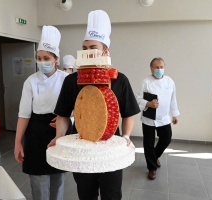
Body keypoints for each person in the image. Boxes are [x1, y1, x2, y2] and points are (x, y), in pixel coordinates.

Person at [48, 10, 140, 200]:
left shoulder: (119, 79)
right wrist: (59, 137)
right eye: (84, 47)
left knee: (112, 193)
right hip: (81, 144)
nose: (87, 51)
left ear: (106, 51)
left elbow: (128, 112)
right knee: (85, 192)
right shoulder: (72, 81)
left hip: (109, 145)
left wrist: (126, 136)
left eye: (92, 47)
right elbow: (64, 114)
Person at [14, 25, 72, 200]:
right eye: (39, 58)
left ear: (56, 58)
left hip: (59, 131)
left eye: (46, 58)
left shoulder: (66, 80)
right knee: (38, 181)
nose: (42, 62)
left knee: (58, 179)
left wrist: (68, 119)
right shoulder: (30, 82)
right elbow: (24, 114)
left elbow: (77, 107)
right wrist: (18, 142)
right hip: (35, 133)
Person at [135, 57, 180, 180]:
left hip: (164, 117)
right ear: (151, 68)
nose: (159, 69)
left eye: (161, 67)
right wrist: (148, 104)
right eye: (157, 67)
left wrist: (174, 114)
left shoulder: (170, 81)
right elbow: (137, 99)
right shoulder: (145, 82)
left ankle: (154, 158)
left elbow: (173, 99)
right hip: (149, 119)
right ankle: (152, 168)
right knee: (148, 144)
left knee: (166, 139)